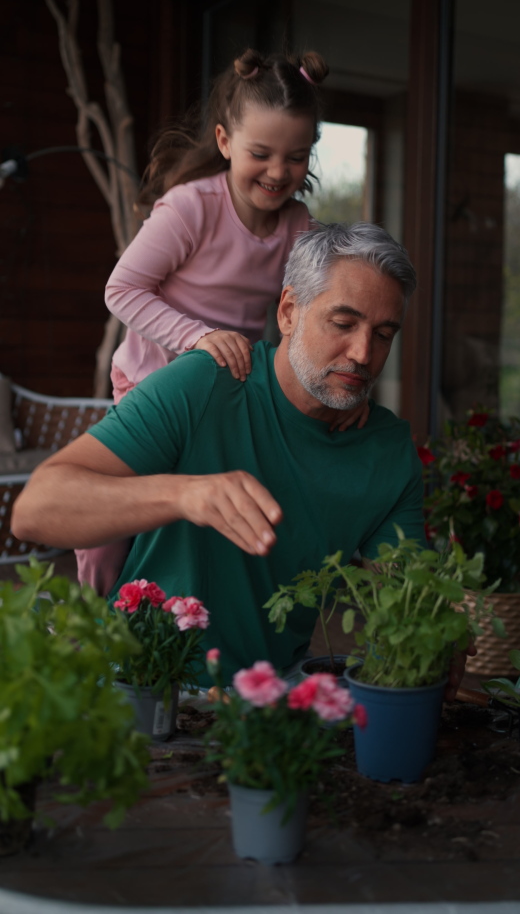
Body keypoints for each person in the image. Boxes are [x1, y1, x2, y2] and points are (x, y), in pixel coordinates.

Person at [12, 222, 471, 694]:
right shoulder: (206, 384)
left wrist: (441, 625)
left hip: (273, 691)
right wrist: (185, 494)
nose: (362, 353)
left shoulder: (388, 448)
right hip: (141, 681)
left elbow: (408, 594)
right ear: (290, 311)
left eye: (383, 334)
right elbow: (34, 511)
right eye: (343, 324)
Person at [78, 48, 367, 593]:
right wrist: (199, 336)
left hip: (227, 394)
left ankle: (191, 636)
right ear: (224, 141)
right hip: (150, 387)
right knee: (114, 527)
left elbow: (308, 312)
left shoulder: (297, 224)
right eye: (261, 153)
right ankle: (98, 623)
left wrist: (339, 381)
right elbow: (122, 289)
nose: (279, 172)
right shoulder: (191, 207)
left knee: (210, 522)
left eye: (297, 156)